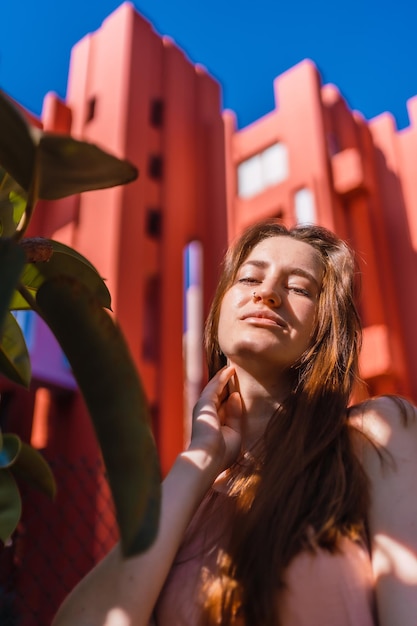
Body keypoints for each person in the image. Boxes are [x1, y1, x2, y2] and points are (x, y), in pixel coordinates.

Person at [53, 220, 417, 626]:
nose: (267, 293)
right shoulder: (190, 500)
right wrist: (198, 461)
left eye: (298, 288)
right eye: (249, 278)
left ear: (324, 327)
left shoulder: (374, 434)